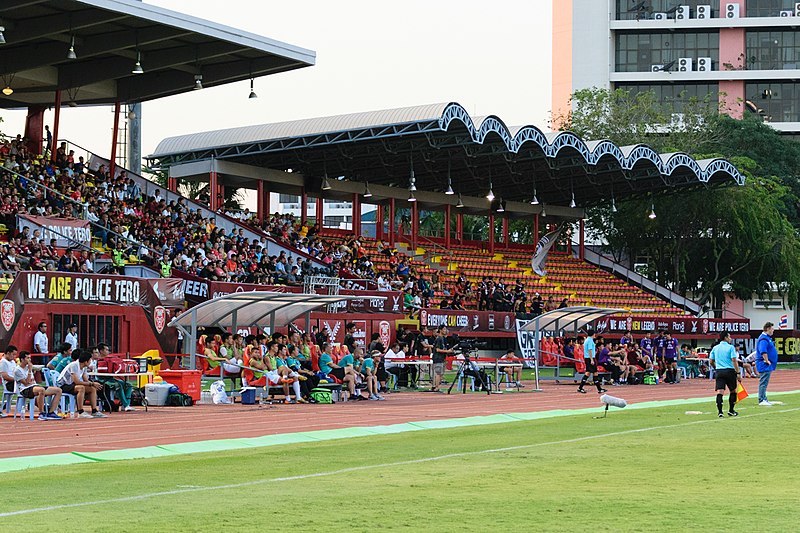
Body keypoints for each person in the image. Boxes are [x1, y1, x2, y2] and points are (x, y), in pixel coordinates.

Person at [57, 349, 107, 418]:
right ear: (86, 361)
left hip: (72, 385)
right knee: (81, 388)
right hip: (63, 385)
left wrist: (93, 384)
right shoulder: (74, 365)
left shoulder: (84, 367)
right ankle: (81, 411)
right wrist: (92, 383)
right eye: (90, 360)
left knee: (92, 389)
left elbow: (86, 380)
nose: (91, 362)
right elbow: (76, 381)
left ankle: (94, 411)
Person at [13, 351, 63, 420]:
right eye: (27, 358)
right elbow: (26, 383)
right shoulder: (17, 370)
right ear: (22, 359)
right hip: (25, 389)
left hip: (34, 386)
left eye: (30, 358)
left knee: (58, 390)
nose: (29, 360)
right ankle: (42, 413)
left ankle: (51, 412)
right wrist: (30, 371)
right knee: (41, 390)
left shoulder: (29, 367)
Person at [709, 332, 741, 418]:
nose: (730, 338)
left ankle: (720, 412)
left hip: (719, 371)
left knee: (720, 392)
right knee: (733, 391)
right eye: (729, 337)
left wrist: (716, 368)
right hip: (729, 371)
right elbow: (734, 360)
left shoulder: (715, 348)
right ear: (726, 338)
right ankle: (731, 410)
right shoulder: (731, 347)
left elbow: (711, 361)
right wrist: (738, 372)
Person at [96, 343, 135, 411]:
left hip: (111, 379)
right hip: (102, 380)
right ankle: (125, 405)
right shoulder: (98, 360)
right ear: (101, 351)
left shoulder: (110, 359)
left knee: (128, 385)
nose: (108, 351)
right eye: (106, 350)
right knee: (118, 385)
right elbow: (99, 373)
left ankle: (125, 405)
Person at [755, 322, 778, 406]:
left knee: (765, 382)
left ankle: (764, 398)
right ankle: (761, 399)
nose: (773, 330)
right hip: (764, 364)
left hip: (766, 364)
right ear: (768, 329)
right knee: (763, 382)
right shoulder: (764, 339)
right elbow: (763, 350)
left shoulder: (767, 338)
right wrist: (767, 360)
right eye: (772, 329)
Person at [577, 329, 606, 394]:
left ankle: (599, 388)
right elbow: (590, 350)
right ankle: (581, 387)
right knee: (590, 373)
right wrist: (592, 359)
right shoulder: (589, 340)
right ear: (593, 334)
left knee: (592, 372)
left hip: (588, 358)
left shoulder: (587, 340)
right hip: (590, 358)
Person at [432, 326, 453, 392]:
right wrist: (447, 351)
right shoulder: (439, 339)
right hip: (438, 358)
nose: (445, 330)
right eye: (444, 329)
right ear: (440, 330)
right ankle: (436, 387)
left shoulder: (443, 338)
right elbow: (437, 349)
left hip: (442, 358)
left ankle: (437, 387)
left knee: (441, 374)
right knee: (438, 373)